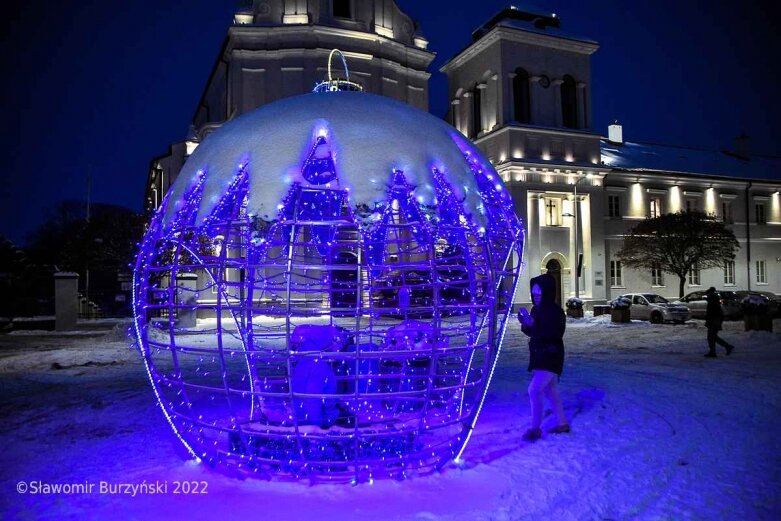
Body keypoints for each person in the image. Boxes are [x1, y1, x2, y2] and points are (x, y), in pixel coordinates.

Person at [517, 273, 569, 441]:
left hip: (551, 357)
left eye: (539, 294)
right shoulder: (535, 310)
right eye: (534, 294)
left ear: (547, 293)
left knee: (533, 390)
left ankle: (535, 428)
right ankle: (562, 424)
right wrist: (526, 324)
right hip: (538, 357)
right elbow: (533, 333)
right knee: (551, 392)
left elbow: (553, 334)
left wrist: (534, 325)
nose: (536, 297)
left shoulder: (556, 312)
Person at [704, 287, 735, 358]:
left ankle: (726, 346)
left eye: (708, 294)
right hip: (713, 320)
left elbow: (712, 313)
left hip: (714, 320)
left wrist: (710, 321)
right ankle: (713, 351)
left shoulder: (712, 301)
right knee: (711, 337)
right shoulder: (714, 301)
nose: (707, 296)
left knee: (712, 336)